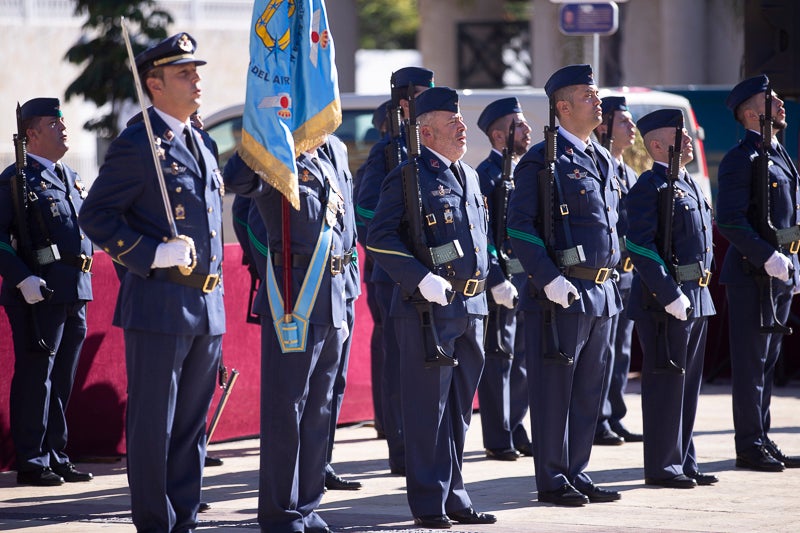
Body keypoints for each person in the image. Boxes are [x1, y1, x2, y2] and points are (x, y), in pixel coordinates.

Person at [79, 33, 225, 532]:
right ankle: (154, 521)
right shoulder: (138, 144)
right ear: (155, 85)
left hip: (207, 304)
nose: (197, 79)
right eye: (185, 73)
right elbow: (95, 216)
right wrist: (150, 253)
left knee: (190, 427)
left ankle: (183, 516)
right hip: (160, 303)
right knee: (154, 425)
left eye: (196, 71)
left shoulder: (200, 139)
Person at [366, 86, 497, 528]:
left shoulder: (470, 175)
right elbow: (380, 236)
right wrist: (421, 278)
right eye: (452, 123)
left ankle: (456, 495)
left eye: (460, 121)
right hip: (428, 310)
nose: (462, 127)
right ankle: (428, 502)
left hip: (471, 306)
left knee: (459, 411)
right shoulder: (408, 176)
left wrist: (495, 280)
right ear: (425, 132)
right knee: (428, 411)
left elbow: (481, 240)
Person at [506, 64, 622, 507]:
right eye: (589, 94)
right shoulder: (542, 159)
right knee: (556, 390)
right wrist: (548, 277)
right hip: (561, 292)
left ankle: (577, 470)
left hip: (602, 291)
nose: (598, 101)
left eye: (598, 93)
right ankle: (552, 478)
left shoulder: (600, 157)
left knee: (590, 389)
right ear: (564, 107)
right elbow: (520, 226)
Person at [224, 141, 346, 533]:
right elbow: (239, 186)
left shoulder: (323, 162)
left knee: (317, 413)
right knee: (286, 413)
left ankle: (307, 505)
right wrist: (263, 136)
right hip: (294, 300)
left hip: (332, 298)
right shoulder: (276, 160)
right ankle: (281, 512)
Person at [0, 97, 94, 487]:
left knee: (63, 378)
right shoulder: (15, 179)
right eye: (54, 123)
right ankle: (32, 459)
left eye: (62, 121)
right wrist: (21, 277)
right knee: (37, 374)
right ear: (31, 135)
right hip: (37, 289)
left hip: (75, 287)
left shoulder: (68, 177)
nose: (63, 127)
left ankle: (56, 452)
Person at [625, 109, 717, 489]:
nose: (688, 139)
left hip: (697, 294)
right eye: (679, 134)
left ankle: (684, 458)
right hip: (665, 300)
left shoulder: (689, 184)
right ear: (658, 145)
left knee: (688, 384)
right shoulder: (649, 186)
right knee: (666, 382)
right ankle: (663, 466)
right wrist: (669, 293)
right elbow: (639, 245)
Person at [716, 75, 800, 472]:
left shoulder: (777, 153)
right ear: (751, 114)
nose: (781, 103)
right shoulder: (742, 158)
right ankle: (748, 445)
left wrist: (791, 265)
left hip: (778, 273)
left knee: (768, 363)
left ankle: (762, 439)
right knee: (751, 364)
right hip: (752, 274)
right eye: (772, 99)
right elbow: (730, 220)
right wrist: (767, 256)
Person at [356, 66, 435, 476]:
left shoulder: (423, 150)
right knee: (397, 362)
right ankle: (400, 446)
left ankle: (419, 445)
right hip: (391, 274)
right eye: (422, 94)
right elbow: (365, 211)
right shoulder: (388, 152)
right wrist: (404, 243)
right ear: (404, 103)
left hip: (426, 275)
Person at [474, 97, 532, 461]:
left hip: (526, 282)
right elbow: (486, 237)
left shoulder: (519, 173)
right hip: (502, 285)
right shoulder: (488, 175)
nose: (527, 131)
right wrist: (496, 279)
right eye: (519, 126)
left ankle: (516, 426)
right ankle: (498, 437)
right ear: (499, 135)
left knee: (522, 357)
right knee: (500, 357)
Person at [592, 96, 643, 446]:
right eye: (624, 122)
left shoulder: (628, 170)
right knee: (603, 352)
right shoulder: (596, 164)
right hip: (605, 273)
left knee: (621, 350)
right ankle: (598, 419)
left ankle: (615, 413)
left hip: (627, 274)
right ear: (603, 126)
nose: (632, 128)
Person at [321, 134, 364, 491]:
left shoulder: (336, 147)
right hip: (303, 289)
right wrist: (277, 273)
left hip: (343, 284)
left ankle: (322, 462)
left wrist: (349, 282)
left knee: (335, 382)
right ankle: (303, 469)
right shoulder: (288, 142)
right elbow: (246, 217)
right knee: (305, 389)